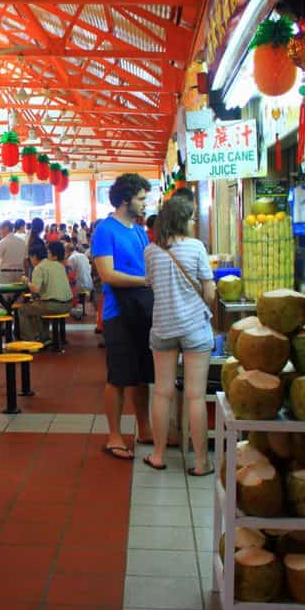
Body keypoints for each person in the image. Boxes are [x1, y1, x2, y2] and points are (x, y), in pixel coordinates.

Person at [143, 197, 216, 476]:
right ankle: (200, 462)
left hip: (163, 327)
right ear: (183, 220)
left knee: (162, 392)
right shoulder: (196, 247)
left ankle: (159, 455)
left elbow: (150, 284)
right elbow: (209, 292)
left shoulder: (151, 251)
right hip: (195, 328)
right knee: (195, 396)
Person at [92, 173, 156, 460]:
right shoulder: (105, 231)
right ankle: (114, 436)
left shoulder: (138, 230)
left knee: (142, 376)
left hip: (141, 310)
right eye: (141, 198)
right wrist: (145, 281)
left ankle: (144, 428)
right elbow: (107, 274)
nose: (145, 204)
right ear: (125, 199)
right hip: (118, 313)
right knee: (118, 377)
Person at [19, 242, 74, 344]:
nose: (30, 261)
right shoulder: (58, 264)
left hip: (54, 306)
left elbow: (35, 289)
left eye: (30, 258)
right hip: (68, 304)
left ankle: (30, 342)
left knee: (22, 310)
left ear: (34, 256)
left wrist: (26, 281)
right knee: (38, 305)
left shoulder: (39, 268)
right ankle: (44, 337)